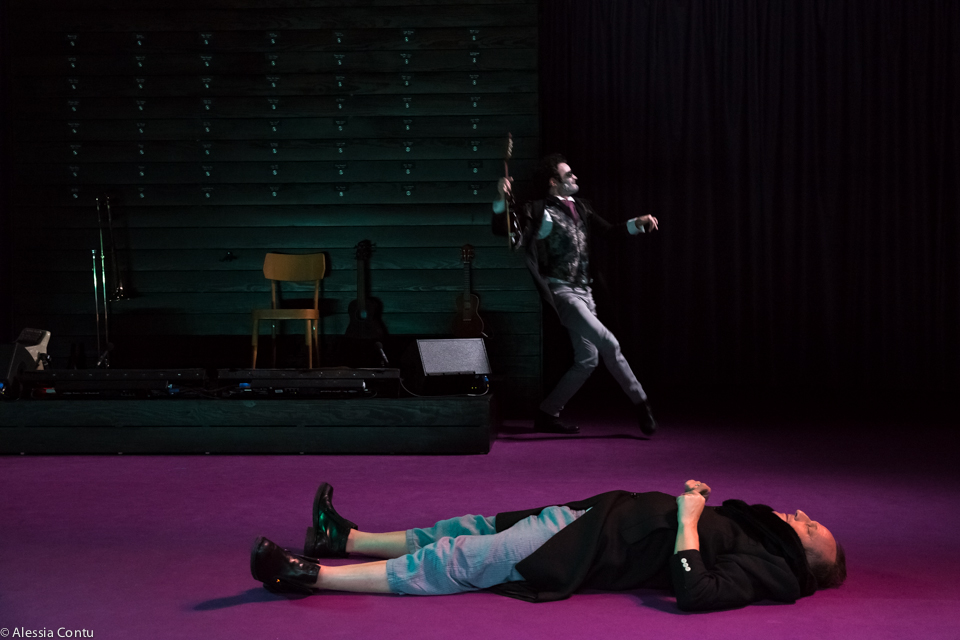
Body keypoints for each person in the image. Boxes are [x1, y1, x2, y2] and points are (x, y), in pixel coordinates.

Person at [250, 480, 846, 612]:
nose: (804, 516)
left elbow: (696, 589)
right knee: (463, 526)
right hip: (590, 516)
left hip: (585, 547)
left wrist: (688, 519)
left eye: (812, 528)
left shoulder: (775, 571)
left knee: (458, 560)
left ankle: (311, 575)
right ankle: (344, 538)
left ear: (809, 559)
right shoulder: (763, 531)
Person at [492, 153, 659, 435]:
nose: (575, 177)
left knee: (587, 360)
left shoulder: (582, 207)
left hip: (586, 293)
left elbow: (610, 232)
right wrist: (501, 199)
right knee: (609, 343)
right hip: (563, 293)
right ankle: (642, 405)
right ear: (553, 181)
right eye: (568, 174)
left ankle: (547, 413)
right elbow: (505, 231)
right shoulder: (538, 210)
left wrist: (637, 223)